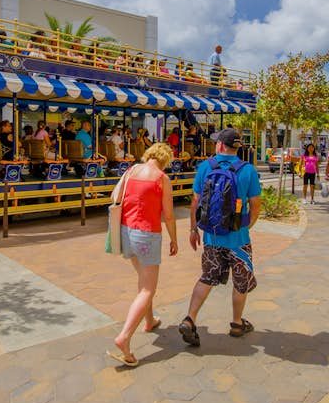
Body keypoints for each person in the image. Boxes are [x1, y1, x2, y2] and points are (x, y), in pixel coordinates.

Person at [179, 128, 262, 347]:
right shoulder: (248, 170)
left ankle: (190, 320)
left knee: (207, 277)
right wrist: (245, 227)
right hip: (239, 239)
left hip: (212, 237)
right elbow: (255, 206)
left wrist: (193, 230)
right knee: (240, 281)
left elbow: (195, 203)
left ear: (221, 146)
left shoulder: (205, 167)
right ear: (236, 148)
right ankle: (236, 323)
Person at [107, 143, 178, 366]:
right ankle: (124, 337)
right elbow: (168, 215)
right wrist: (174, 239)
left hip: (125, 231)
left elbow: (114, 195)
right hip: (147, 235)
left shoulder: (131, 171)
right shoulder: (162, 179)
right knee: (148, 288)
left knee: (143, 280)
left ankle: (149, 321)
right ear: (166, 159)